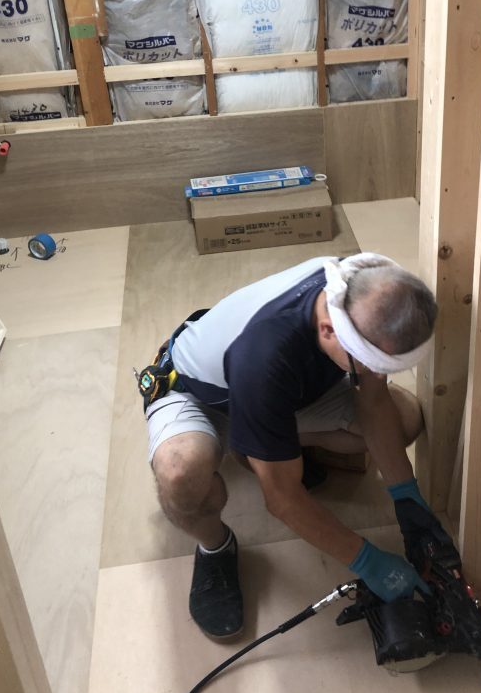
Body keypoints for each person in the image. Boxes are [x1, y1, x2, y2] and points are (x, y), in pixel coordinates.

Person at [142, 252, 442, 641]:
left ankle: (260, 446)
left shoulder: (365, 290)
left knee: (405, 420)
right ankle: (215, 548)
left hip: (281, 392)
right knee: (180, 475)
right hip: (199, 394)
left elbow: (373, 401)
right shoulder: (263, 357)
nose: (374, 374)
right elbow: (282, 500)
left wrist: (406, 497)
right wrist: (369, 562)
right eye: (368, 364)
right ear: (329, 330)